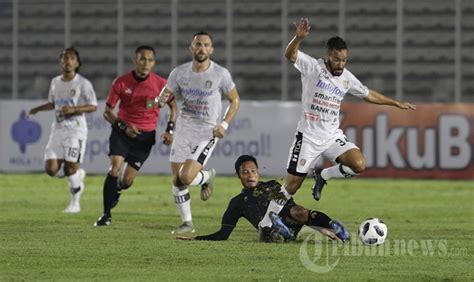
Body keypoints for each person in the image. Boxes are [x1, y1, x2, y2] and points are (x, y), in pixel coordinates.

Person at [258, 18, 416, 241]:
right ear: (328, 57)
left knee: (359, 164)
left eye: (344, 60)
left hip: (332, 137)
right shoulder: (313, 67)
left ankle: (323, 175)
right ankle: (265, 224)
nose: (341, 64)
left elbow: (368, 94)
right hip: (308, 138)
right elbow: (290, 55)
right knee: (291, 186)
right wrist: (299, 38)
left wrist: (395, 103)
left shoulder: (347, 78)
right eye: (337, 59)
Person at [156, 31, 240, 235]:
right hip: (184, 130)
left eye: (206, 45)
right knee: (177, 180)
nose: (201, 48)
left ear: (211, 49)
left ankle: (206, 176)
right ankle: (187, 223)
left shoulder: (220, 73)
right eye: (198, 44)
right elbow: (167, 94)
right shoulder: (179, 72)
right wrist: (161, 98)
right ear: (191, 48)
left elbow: (234, 100)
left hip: (207, 131)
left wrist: (224, 125)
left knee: (185, 177)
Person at [176, 155, 349, 242]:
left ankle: (333, 227)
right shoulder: (237, 202)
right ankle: (279, 232)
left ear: (258, 172)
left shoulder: (272, 186)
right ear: (238, 175)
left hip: (290, 224)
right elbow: (223, 234)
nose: (250, 175)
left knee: (296, 210)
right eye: (245, 172)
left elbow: (295, 212)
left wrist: (320, 229)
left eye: (253, 171)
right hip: (266, 232)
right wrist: (197, 239)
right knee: (270, 227)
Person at [94, 45, 177, 226]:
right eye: (142, 59)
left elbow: (173, 106)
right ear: (135, 60)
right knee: (114, 168)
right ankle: (106, 214)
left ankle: (116, 189)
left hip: (145, 137)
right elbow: (107, 112)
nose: (146, 63)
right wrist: (124, 126)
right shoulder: (121, 82)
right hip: (122, 132)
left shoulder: (160, 84)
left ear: (154, 63)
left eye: (150, 60)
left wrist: (170, 130)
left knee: (126, 180)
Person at [28, 47, 98, 213]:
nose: (68, 61)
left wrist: (73, 110)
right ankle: (77, 175)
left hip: (76, 131)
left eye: (71, 58)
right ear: (60, 62)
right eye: (65, 58)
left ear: (77, 63)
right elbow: (53, 103)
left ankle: (75, 203)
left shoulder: (83, 83)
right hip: (57, 130)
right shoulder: (55, 82)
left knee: (70, 168)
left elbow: (93, 106)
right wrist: (37, 109)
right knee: (51, 169)